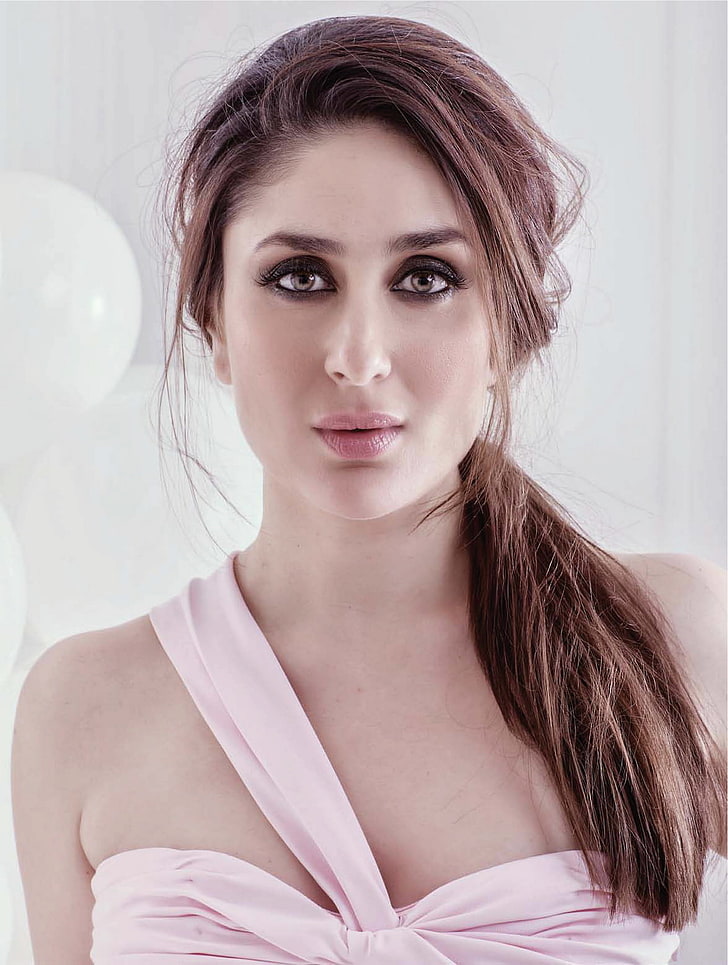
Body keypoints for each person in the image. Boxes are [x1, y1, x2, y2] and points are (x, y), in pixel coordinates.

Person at [11, 14, 726, 964]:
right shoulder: (81, 710)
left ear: (507, 328)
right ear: (213, 320)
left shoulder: (664, 640)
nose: (358, 356)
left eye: (425, 277)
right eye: (300, 276)